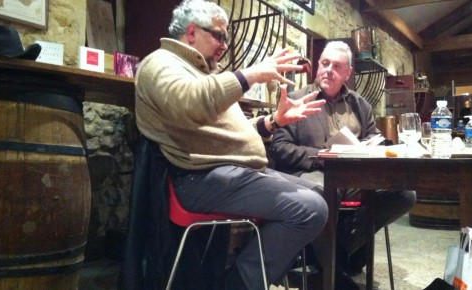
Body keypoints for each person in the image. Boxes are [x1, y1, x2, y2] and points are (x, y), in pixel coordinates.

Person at [133, 0, 329, 289]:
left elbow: (223, 132)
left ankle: (323, 273)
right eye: (220, 36)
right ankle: (238, 283)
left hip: (231, 174)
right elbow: (189, 104)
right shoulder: (160, 63)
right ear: (191, 33)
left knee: (321, 192)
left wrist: (273, 121)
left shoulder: (204, 73)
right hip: (199, 179)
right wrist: (249, 75)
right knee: (310, 208)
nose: (224, 44)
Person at [269, 41, 416, 287]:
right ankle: (333, 271)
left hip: (356, 177)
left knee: (405, 194)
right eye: (325, 64)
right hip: (313, 173)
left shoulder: (360, 105)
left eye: (336, 66)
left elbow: (373, 139)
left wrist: (379, 149)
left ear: (347, 73)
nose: (328, 70)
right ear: (317, 66)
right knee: (324, 191)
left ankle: (338, 252)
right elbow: (279, 147)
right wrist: (322, 157)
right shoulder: (296, 100)